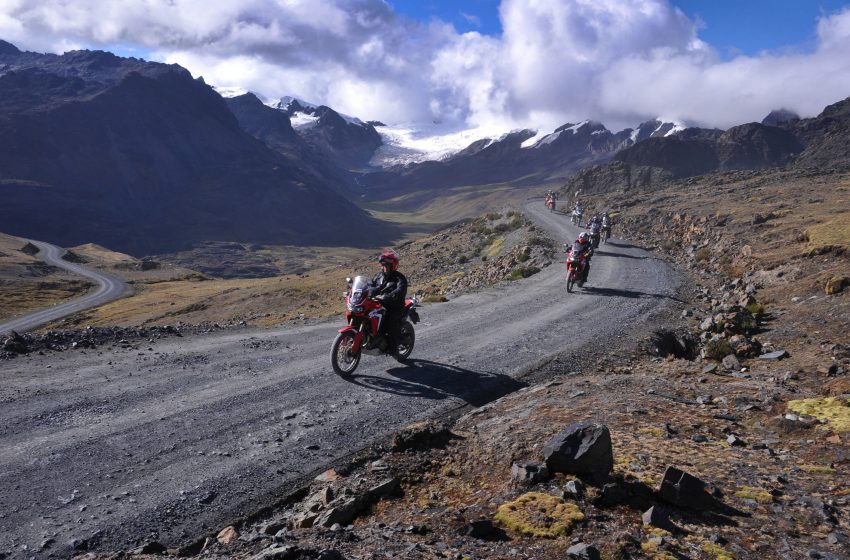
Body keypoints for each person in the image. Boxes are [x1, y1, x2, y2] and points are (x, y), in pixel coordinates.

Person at [372, 248, 408, 355]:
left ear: (393, 265)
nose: (385, 267)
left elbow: (400, 290)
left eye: (387, 265)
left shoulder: (399, 277)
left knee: (390, 323)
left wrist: (388, 296)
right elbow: (371, 285)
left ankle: (393, 348)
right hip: (380, 304)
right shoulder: (378, 276)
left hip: (394, 306)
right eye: (383, 265)